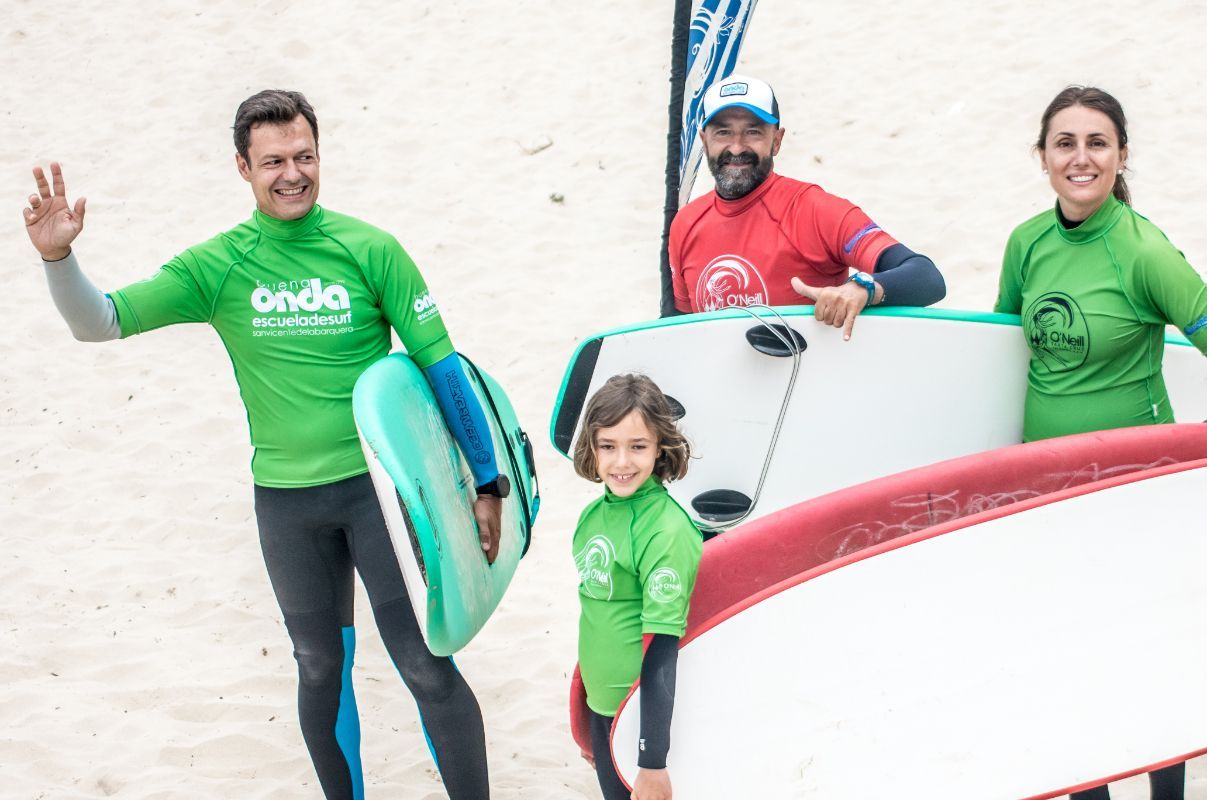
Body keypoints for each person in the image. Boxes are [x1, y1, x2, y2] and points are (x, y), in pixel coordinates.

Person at [22, 90, 509, 800]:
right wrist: (60, 258)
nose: (292, 174)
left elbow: (442, 368)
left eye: (304, 156)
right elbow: (99, 322)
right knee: (318, 666)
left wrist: (487, 481)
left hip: (379, 493)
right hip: (287, 504)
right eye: (273, 160)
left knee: (424, 663)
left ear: (320, 156)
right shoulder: (219, 267)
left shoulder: (371, 250)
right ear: (243, 168)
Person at [995, 85, 1207, 799]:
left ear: (1122, 156)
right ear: (1042, 156)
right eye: (1065, 143)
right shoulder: (1027, 244)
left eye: (1097, 143)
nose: (1080, 158)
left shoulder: (1144, 250)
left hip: (1137, 486)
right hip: (1047, 489)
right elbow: (994, 358)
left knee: (1146, 656)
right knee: (1069, 657)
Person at [668, 73, 946, 339]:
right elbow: (679, 327)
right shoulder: (686, 224)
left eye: (753, 132)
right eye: (723, 132)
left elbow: (926, 277)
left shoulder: (814, 210)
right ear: (704, 140)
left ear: (777, 140)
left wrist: (861, 289)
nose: (737, 147)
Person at [571, 374, 702, 800]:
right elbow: (597, 616)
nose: (621, 461)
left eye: (637, 447)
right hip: (603, 712)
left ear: (660, 447)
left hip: (641, 721)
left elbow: (662, 648)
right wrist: (585, 712)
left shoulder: (664, 530)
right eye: (608, 446)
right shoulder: (594, 515)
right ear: (591, 447)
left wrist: (652, 760)